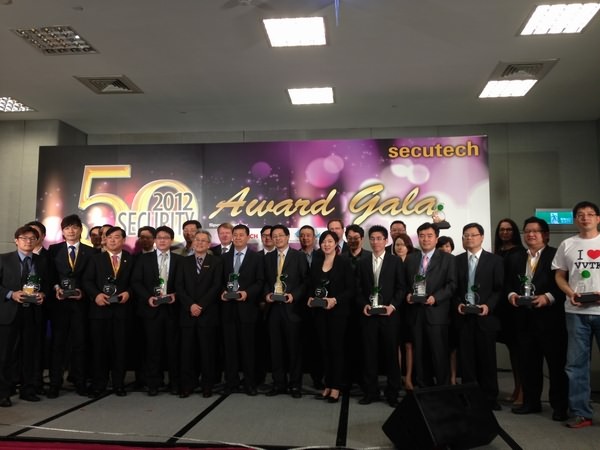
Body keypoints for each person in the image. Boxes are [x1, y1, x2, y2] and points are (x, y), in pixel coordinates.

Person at [506, 217, 568, 421]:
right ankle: (531, 402)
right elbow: (508, 283)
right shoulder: (516, 257)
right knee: (528, 364)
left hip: (550, 320)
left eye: (535, 231)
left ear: (546, 235)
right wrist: (511, 295)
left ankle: (560, 406)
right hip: (523, 319)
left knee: (556, 366)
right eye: (527, 231)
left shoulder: (557, 255)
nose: (530, 234)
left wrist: (548, 297)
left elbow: (566, 283)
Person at [552, 200, 600, 429]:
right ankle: (582, 413)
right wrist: (570, 293)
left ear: (598, 218)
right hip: (575, 312)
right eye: (580, 214)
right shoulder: (567, 244)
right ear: (575, 219)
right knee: (575, 365)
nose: (585, 218)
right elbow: (559, 275)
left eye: (590, 214)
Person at [454, 223, 504, 411]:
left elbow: (499, 289)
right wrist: (458, 303)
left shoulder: (495, 260)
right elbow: (453, 287)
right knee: (466, 360)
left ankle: (490, 397)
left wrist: (488, 306)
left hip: (485, 317)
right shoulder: (456, 261)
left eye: (473, 235)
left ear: (482, 237)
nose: (469, 238)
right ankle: (469, 397)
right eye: (466, 235)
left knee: (487, 359)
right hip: (463, 316)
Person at [356, 225, 406, 407]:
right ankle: (371, 392)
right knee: (369, 355)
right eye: (372, 238)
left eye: (379, 238)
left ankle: (393, 392)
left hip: (389, 316)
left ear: (386, 240)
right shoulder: (362, 262)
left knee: (391, 356)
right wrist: (363, 304)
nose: (375, 242)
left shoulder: (395, 261)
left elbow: (402, 287)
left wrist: (392, 306)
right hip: (369, 316)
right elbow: (358, 289)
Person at [0, 226, 49, 407]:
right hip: (9, 313)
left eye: (32, 238)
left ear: (37, 241)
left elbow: (48, 284)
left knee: (29, 353)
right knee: (6, 355)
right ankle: (3, 392)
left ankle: (28, 390)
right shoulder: (4, 259)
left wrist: (43, 294)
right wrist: (10, 294)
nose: (28, 241)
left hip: (32, 313)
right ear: (16, 240)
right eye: (24, 238)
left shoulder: (42, 261)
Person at [47, 214, 95, 398]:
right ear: (63, 231)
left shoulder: (91, 252)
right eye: (67, 228)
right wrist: (57, 288)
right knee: (57, 345)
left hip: (81, 305)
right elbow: (50, 274)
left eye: (74, 227)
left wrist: (83, 291)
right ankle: (55, 383)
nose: (71, 231)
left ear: (81, 230)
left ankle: (80, 383)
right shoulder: (53, 250)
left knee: (80, 345)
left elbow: (92, 277)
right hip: (59, 305)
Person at [131, 226, 183, 397]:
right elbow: (136, 282)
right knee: (152, 349)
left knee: (173, 349)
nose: (162, 240)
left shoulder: (180, 260)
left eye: (166, 238)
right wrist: (148, 297)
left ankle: (175, 383)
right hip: (151, 310)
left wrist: (176, 295)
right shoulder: (143, 259)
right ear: (155, 240)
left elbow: (184, 284)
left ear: (171, 240)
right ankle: (153, 383)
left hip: (172, 310)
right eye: (159, 237)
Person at [82, 226, 133, 397]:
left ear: (123, 240)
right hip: (100, 311)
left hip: (122, 311)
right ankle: (99, 384)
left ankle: (119, 384)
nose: (112, 240)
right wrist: (96, 295)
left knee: (120, 349)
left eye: (116, 237)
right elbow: (87, 280)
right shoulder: (96, 259)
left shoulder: (130, 259)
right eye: (109, 237)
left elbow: (137, 281)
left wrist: (129, 292)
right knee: (99, 349)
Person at [405, 222, 455, 388]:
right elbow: (405, 283)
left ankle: (443, 391)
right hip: (416, 313)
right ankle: (423, 389)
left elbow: (452, 285)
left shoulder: (448, 259)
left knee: (439, 354)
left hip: (437, 314)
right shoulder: (411, 258)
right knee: (420, 355)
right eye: (422, 236)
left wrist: (436, 298)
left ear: (436, 238)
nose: (425, 239)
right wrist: (408, 294)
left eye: (429, 236)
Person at [307, 231, 354, 403]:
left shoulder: (344, 262)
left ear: (336, 243)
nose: (326, 245)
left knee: (337, 349)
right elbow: (312, 286)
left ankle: (336, 386)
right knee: (324, 349)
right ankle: (328, 384)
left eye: (329, 241)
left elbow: (351, 289)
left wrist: (335, 300)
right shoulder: (316, 262)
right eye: (323, 242)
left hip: (338, 313)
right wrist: (310, 297)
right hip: (320, 312)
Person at [263, 224, 309, 398]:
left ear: (288, 237)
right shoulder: (268, 258)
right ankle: (278, 383)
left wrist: (294, 296)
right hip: (273, 309)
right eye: (274, 236)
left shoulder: (299, 256)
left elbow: (306, 281)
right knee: (276, 349)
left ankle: (295, 385)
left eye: (280, 235)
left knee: (294, 349)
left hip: (292, 309)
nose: (277, 239)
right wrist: (266, 294)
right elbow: (263, 280)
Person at [177, 230, 223, 398]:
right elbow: (179, 286)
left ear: (209, 244)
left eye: (204, 240)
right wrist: (191, 305)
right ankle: (187, 385)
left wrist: (201, 305)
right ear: (193, 242)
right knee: (187, 352)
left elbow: (216, 286)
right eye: (197, 240)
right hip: (187, 313)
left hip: (207, 314)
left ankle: (207, 385)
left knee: (207, 352)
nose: (200, 243)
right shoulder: (183, 262)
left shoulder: (216, 262)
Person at [219, 224, 264, 396]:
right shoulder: (223, 258)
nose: (237, 237)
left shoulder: (256, 258)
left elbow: (260, 281)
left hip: (248, 310)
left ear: (248, 237)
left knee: (248, 349)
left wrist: (247, 293)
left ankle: (249, 383)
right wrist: (222, 292)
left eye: (241, 235)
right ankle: (231, 382)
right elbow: (218, 281)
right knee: (229, 349)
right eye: (235, 235)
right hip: (228, 309)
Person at [493, 218, 526, 406]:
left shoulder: (520, 253)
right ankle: (516, 389)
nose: (505, 232)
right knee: (512, 350)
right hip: (499, 308)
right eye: (502, 229)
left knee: (518, 351)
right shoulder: (497, 252)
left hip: (513, 306)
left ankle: (522, 390)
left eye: (508, 229)